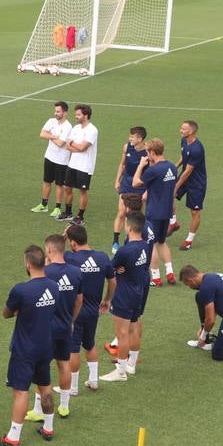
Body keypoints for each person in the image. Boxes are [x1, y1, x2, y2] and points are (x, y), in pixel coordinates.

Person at [0, 245, 60, 446]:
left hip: (25, 348)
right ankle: (48, 427)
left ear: (28, 264)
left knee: (21, 391)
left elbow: (5, 313)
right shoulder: (54, 287)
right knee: (45, 386)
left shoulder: (21, 289)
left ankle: (13, 438)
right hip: (45, 346)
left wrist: (20, 311)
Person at [25, 235, 82, 422]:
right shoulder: (76, 272)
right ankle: (64, 407)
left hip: (46, 328)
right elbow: (79, 300)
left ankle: (39, 410)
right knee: (63, 364)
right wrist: (71, 320)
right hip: (66, 326)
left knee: (41, 367)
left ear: (49, 250)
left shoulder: (45, 272)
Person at [64, 223, 115, 393]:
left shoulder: (70, 258)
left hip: (75, 311)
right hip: (94, 310)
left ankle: (73, 387)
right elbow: (113, 281)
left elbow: (50, 256)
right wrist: (107, 299)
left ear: (72, 242)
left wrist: (63, 236)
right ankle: (93, 380)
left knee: (73, 348)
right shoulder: (102, 257)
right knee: (90, 344)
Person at [100, 213, 150, 383]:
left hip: (123, 294)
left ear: (128, 226)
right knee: (134, 328)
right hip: (138, 292)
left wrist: (118, 269)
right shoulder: (145, 245)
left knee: (122, 333)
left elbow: (109, 268)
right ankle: (131, 365)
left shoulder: (125, 250)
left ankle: (120, 372)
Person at [134, 139, 179, 286]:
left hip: (153, 212)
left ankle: (156, 278)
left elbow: (135, 182)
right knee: (162, 242)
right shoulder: (172, 167)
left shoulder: (153, 170)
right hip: (166, 212)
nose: (147, 155)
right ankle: (170, 271)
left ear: (152, 152)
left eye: (148, 152)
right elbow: (165, 186)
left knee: (151, 245)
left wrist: (141, 166)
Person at [58, 104, 99, 225]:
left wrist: (73, 144)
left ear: (85, 116)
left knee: (82, 191)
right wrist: (77, 146)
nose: (76, 116)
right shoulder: (76, 128)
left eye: (78, 114)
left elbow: (82, 147)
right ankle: (68, 212)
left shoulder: (92, 130)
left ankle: (80, 216)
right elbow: (68, 146)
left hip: (85, 166)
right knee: (67, 188)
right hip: (72, 164)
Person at [170, 121, 207, 250]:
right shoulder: (184, 141)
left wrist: (176, 186)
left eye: (183, 129)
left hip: (196, 183)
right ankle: (173, 222)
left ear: (190, 132)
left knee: (195, 211)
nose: (180, 130)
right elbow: (183, 156)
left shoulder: (197, 149)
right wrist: (175, 166)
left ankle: (189, 240)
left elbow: (188, 171)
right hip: (185, 177)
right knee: (168, 196)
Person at [32, 101, 72, 216]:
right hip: (49, 156)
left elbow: (60, 143)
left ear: (65, 113)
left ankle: (58, 207)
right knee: (46, 182)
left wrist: (49, 136)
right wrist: (53, 136)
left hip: (61, 160)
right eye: (55, 111)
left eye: (58, 111)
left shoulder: (68, 126)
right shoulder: (51, 121)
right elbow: (42, 134)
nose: (56, 113)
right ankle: (43, 205)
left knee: (59, 184)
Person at [111, 126, 147, 254]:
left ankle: (132, 240)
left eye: (132, 136)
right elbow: (123, 164)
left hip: (140, 186)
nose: (130, 138)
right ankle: (115, 240)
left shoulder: (148, 152)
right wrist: (117, 180)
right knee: (122, 213)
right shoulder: (127, 147)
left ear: (140, 138)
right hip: (126, 183)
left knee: (136, 215)